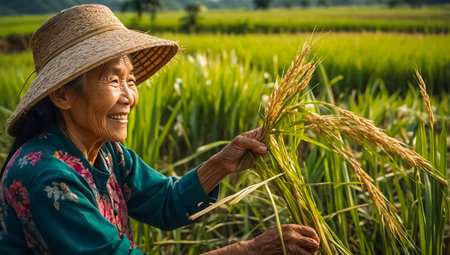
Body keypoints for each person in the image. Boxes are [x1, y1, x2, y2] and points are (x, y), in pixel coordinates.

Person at [0, 4, 320, 255]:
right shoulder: (49, 179)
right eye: (114, 79)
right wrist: (251, 250)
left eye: (131, 80)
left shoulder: (109, 154)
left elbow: (166, 203)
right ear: (62, 95)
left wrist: (224, 162)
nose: (129, 97)